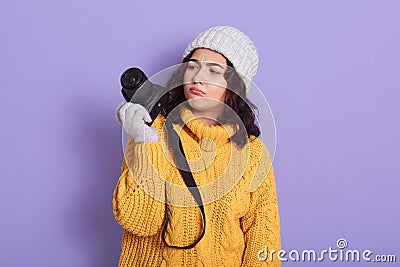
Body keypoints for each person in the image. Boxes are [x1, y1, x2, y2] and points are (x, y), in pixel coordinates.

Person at [113, 26, 281, 266]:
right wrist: (145, 141)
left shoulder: (253, 154)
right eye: (192, 66)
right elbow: (138, 220)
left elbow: (264, 242)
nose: (198, 77)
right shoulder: (152, 130)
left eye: (214, 70)